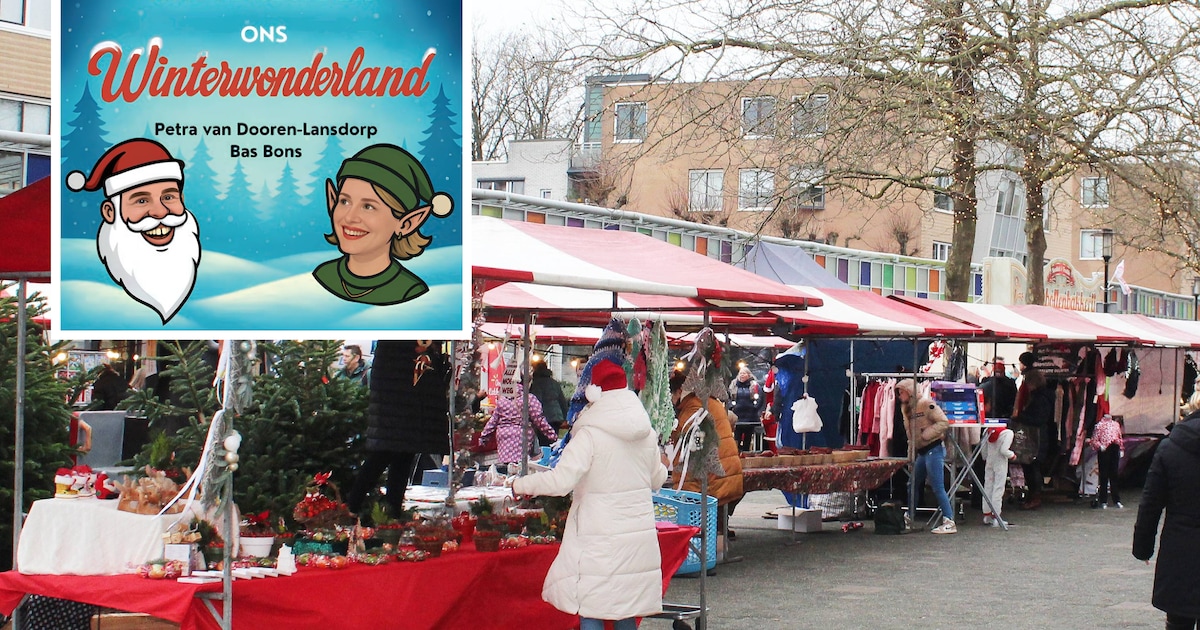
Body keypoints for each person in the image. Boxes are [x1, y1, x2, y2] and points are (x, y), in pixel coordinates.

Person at [512, 358, 668, 630]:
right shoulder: (645, 433)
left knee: (591, 607)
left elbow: (561, 482)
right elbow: (657, 478)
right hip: (636, 535)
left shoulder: (589, 435)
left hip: (598, 538)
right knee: (624, 610)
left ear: (593, 391)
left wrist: (521, 485)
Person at [65, 138, 199, 323]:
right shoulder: (84, 297)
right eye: (141, 201)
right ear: (110, 212)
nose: (160, 212)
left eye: (168, 197)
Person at [312, 144, 454, 305]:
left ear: (407, 224)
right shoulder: (322, 276)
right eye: (344, 201)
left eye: (368, 206)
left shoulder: (411, 293)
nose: (350, 217)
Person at [346, 340, 450, 521]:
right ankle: (354, 507)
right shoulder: (399, 340)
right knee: (386, 453)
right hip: (401, 395)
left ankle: (389, 514)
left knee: (401, 454)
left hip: (406, 395)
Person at [667, 328, 744, 542]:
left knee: (702, 516)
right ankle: (716, 544)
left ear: (678, 392)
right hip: (727, 472)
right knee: (715, 519)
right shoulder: (708, 400)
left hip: (712, 478)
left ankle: (708, 551)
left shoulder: (693, 407)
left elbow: (691, 442)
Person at [1133, 392, 1200, 630]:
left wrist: (1143, 547)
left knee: (1178, 621)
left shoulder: (1171, 446)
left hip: (1180, 551)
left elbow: (1150, 503)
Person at [896, 378, 956, 534]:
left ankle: (949, 520)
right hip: (923, 452)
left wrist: (926, 435)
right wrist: (911, 455)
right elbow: (911, 436)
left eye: (901, 392)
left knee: (937, 486)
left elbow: (943, 422)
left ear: (909, 392)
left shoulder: (926, 404)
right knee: (913, 484)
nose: (899, 395)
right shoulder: (907, 409)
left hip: (933, 449)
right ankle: (909, 517)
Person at [480, 377, 557, 468]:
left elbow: (493, 421)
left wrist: (483, 438)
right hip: (521, 435)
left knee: (507, 465)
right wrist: (552, 436)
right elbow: (539, 420)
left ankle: (508, 479)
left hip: (503, 435)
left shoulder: (502, 400)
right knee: (520, 466)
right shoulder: (529, 399)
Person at [1012, 351, 1055, 510]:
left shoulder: (1040, 398)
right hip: (1038, 434)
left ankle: (1035, 496)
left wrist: (1020, 417)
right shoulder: (1044, 396)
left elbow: (1038, 418)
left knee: (1032, 466)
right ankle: (1033, 496)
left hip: (1037, 435)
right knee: (1030, 466)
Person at [528, 358, 569, 445]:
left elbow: (535, 401)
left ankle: (547, 457)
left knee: (543, 443)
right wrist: (566, 417)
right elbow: (562, 401)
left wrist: (531, 417)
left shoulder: (536, 383)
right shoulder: (555, 383)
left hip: (543, 418)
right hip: (556, 418)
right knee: (553, 442)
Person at [981, 426, 1014, 526]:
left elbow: (983, 450)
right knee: (998, 488)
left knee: (988, 487)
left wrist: (986, 458)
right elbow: (1004, 450)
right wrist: (1012, 455)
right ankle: (996, 515)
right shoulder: (1008, 433)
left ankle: (987, 514)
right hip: (1000, 462)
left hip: (989, 461)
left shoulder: (987, 431)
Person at [1090, 413, 1124, 509]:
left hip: (1114, 447)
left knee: (1114, 475)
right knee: (1104, 475)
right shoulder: (1099, 425)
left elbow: (1119, 437)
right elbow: (1094, 439)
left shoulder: (1115, 424)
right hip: (1104, 449)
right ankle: (1103, 500)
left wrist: (1121, 448)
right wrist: (1100, 446)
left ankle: (1116, 499)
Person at [728, 366, 765, 452]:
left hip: (750, 416)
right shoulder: (733, 385)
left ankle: (746, 454)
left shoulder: (755, 385)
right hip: (737, 416)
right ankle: (737, 453)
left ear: (748, 375)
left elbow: (760, 398)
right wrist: (732, 407)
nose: (742, 375)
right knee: (737, 437)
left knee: (748, 438)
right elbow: (729, 397)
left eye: (744, 373)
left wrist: (755, 408)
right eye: (740, 373)